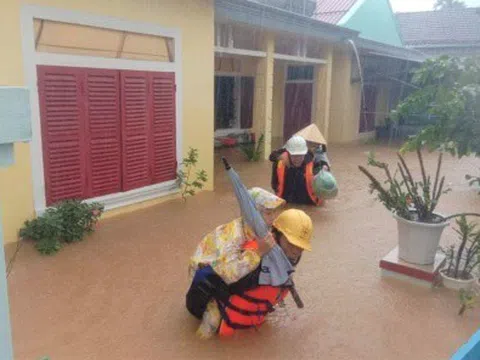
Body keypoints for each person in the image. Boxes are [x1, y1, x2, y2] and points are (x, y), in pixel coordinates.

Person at [186, 205, 313, 339]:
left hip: (248, 324)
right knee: (205, 333)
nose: (296, 251)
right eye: (291, 243)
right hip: (224, 323)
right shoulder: (252, 256)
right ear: (275, 235)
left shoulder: (283, 265)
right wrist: (258, 258)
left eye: (300, 246)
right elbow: (228, 277)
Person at [270, 135, 327, 206]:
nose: (297, 159)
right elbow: (274, 184)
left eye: (300, 156)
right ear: (288, 153)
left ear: (305, 153)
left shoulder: (313, 163)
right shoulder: (280, 162)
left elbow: (325, 189)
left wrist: (323, 175)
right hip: (286, 203)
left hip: (309, 203)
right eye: (294, 156)